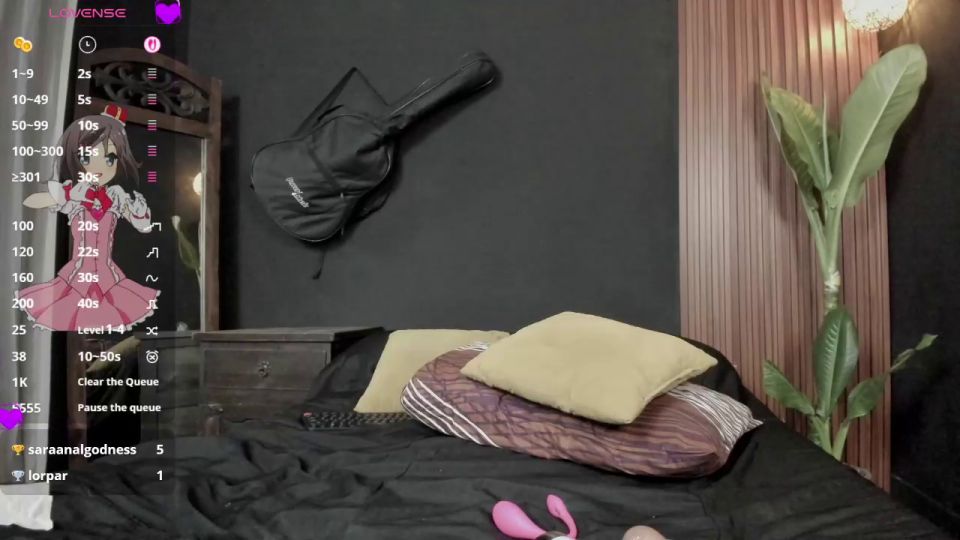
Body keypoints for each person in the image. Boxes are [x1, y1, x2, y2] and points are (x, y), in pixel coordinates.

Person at [16, 104, 159, 332]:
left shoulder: (115, 195)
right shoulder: (75, 194)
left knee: (103, 325)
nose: (99, 167)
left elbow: (143, 226)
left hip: (109, 278)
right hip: (76, 277)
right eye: (86, 157)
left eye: (109, 159)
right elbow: (31, 201)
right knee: (74, 320)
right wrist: (69, 194)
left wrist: (140, 211)